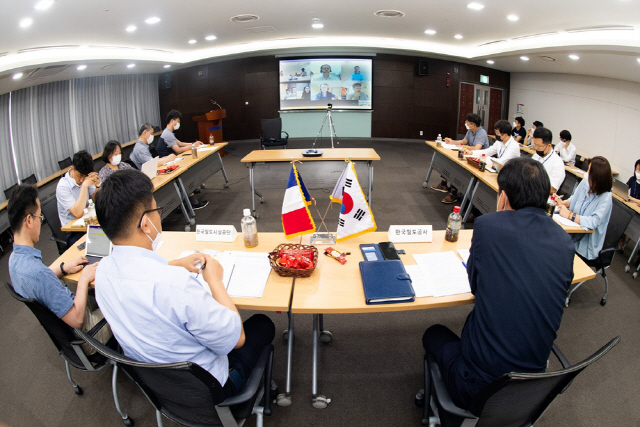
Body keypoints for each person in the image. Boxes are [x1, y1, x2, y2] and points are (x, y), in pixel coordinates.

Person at [94, 170, 275, 395]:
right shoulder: (176, 285)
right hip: (208, 389)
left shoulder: (102, 272)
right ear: (146, 225)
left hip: (157, 386)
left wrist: (175, 263)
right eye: (157, 210)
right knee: (263, 324)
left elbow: (137, 275)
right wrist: (215, 280)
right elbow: (236, 338)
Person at [422, 157, 575, 409]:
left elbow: (476, 287)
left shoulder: (488, 226)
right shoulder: (564, 241)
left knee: (434, 334)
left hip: (480, 388)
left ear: (502, 197)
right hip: (532, 388)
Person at [8, 184, 112, 354]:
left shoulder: (15, 260)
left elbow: (39, 283)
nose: (40, 222)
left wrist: (63, 268)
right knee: (122, 301)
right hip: (86, 333)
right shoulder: (38, 273)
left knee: (104, 293)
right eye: (39, 217)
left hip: (67, 313)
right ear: (28, 220)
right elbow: (78, 320)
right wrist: (84, 279)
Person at [556, 156, 613, 261]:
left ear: (598, 177)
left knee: (558, 250)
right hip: (572, 232)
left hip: (585, 244)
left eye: (590, 172)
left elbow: (593, 222)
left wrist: (570, 215)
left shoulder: (606, 196)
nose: (586, 174)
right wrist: (563, 203)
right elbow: (574, 199)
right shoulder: (586, 182)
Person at [432, 113, 490, 204]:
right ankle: (444, 184)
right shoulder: (470, 131)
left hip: (478, 160)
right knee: (451, 162)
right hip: (469, 155)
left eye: (467, 122)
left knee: (458, 169)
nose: (465, 123)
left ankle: (453, 193)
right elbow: (463, 141)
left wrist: (463, 146)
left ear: (473, 125)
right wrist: (452, 142)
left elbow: (476, 148)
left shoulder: (481, 133)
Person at [156, 112, 208, 209]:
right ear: (172, 121)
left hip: (171, 160)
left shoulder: (168, 132)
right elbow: (178, 149)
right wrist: (193, 146)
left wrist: (194, 143)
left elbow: (180, 143)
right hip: (167, 163)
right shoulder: (167, 133)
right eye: (178, 121)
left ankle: (191, 188)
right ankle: (193, 202)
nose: (179, 124)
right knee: (185, 173)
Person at [56, 150, 100, 246]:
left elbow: (97, 199)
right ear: (72, 169)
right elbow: (78, 212)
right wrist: (84, 186)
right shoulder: (63, 186)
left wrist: (98, 185)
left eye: (85, 177)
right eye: (79, 176)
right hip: (74, 232)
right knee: (96, 246)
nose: (81, 180)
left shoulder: (85, 179)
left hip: (89, 224)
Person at [531, 127, 565, 194]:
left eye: (539, 146)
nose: (536, 148)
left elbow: (552, 189)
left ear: (549, 146)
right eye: (535, 145)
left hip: (539, 196)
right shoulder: (536, 156)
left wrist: (531, 183)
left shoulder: (557, 163)